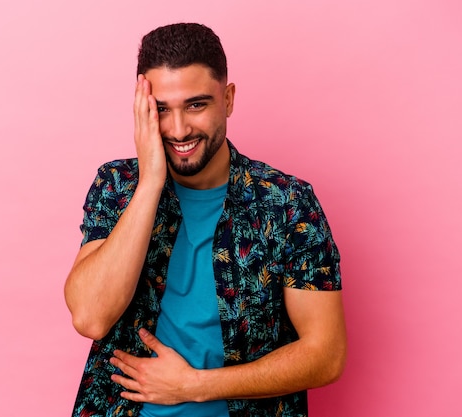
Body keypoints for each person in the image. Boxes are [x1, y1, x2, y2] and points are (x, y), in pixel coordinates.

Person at [65, 22, 346, 417]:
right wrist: (150, 184)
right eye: (161, 109)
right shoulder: (119, 184)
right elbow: (91, 317)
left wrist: (193, 386)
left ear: (227, 99)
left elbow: (326, 354)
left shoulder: (287, 203)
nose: (179, 130)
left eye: (196, 105)